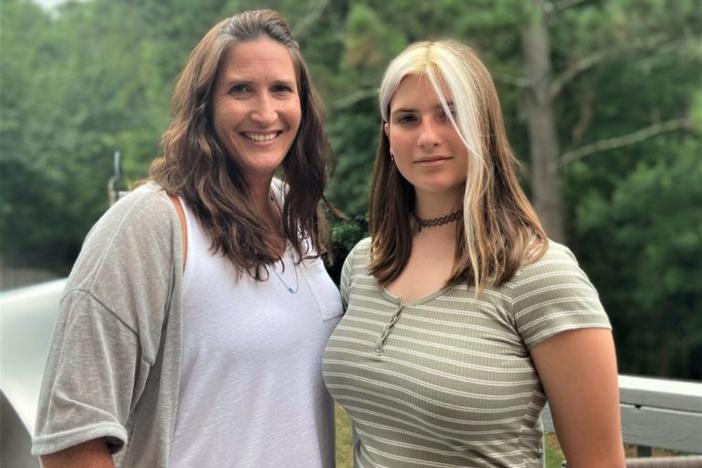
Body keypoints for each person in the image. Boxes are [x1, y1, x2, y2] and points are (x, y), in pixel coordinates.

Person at [32, 9, 342, 468]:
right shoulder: (149, 225)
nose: (265, 111)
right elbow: (70, 440)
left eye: (281, 89)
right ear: (205, 106)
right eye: (240, 89)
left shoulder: (296, 214)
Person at [323, 40, 625, 467]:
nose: (428, 136)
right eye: (408, 118)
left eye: (450, 114)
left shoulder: (540, 275)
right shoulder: (364, 264)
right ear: (388, 135)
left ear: (483, 126)